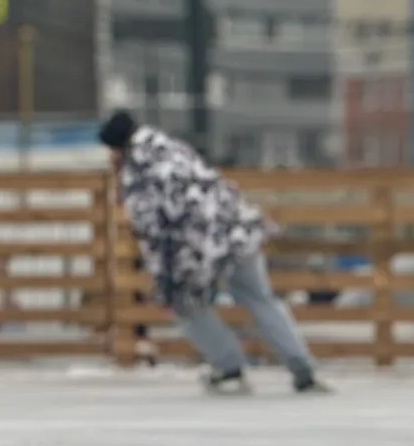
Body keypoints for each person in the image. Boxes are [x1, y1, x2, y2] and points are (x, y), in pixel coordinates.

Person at [99, 111, 329, 395]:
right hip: (236, 231)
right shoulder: (173, 147)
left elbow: (151, 227)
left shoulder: (139, 172)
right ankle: (302, 367)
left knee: (185, 305)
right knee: (261, 299)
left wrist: (163, 277)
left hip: (196, 248)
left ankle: (228, 366)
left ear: (117, 147)